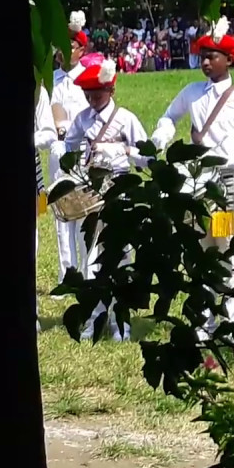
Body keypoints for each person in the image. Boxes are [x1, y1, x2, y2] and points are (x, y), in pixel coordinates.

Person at [150, 16, 234, 338]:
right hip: (196, 185)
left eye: (212, 57)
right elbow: (170, 116)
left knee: (228, 251)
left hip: (227, 186)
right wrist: (162, 133)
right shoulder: (191, 92)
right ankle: (202, 322)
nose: (206, 63)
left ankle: (228, 323)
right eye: (202, 57)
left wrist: (225, 159)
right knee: (200, 252)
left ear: (230, 59)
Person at [63, 53, 149, 341]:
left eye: (97, 94)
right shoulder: (82, 119)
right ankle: (93, 316)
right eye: (88, 94)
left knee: (120, 254)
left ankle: (120, 321)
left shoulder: (125, 119)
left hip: (119, 189)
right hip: (91, 192)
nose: (92, 100)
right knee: (90, 256)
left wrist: (125, 152)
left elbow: (148, 156)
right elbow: (69, 147)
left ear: (110, 90)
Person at [48, 10, 91, 288]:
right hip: (58, 149)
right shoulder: (50, 79)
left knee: (84, 211)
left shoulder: (89, 78)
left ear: (81, 49)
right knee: (62, 212)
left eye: (70, 47)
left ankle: (87, 273)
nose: (64, 52)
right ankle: (68, 274)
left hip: (84, 149)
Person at [33, 80, 58, 331]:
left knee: (29, 246)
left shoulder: (36, 90)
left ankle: (29, 311)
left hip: (25, 173)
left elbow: (49, 132)